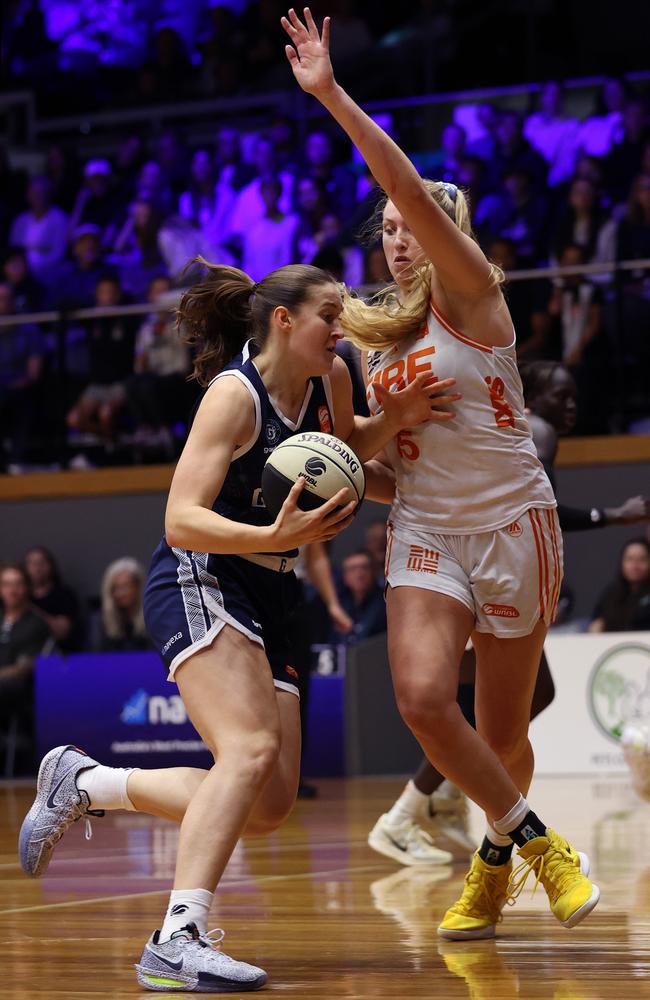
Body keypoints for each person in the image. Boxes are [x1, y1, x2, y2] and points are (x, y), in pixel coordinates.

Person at [19, 258, 458, 991]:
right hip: (203, 574)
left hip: (274, 591)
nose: (342, 326)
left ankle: (87, 783)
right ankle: (176, 936)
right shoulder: (233, 398)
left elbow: (345, 458)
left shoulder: (335, 377)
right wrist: (269, 536)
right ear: (284, 321)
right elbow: (180, 518)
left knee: (266, 803)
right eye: (330, 314)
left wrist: (399, 425)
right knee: (249, 748)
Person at [281, 8, 599, 939]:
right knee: (424, 700)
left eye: (412, 221)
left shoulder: (474, 297)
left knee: (503, 737)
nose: (397, 236)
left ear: (445, 229)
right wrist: (367, 448)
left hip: (512, 524)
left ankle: (491, 872)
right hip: (424, 526)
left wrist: (331, 95)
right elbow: (373, 470)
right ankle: (544, 848)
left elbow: (406, 186)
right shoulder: (367, 342)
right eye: (384, 227)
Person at [370, 358, 650, 867]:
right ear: (526, 395)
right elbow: (536, 505)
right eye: (561, 396)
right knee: (492, 708)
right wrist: (614, 516)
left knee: (511, 706)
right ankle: (410, 811)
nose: (571, 407)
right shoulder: (534, 430)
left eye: (574, 397)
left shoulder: (516, 427)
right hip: (480, 557)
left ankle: (445, 797)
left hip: (466, 554)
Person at [24, 546, 83, 653]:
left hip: (57, 657)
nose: (37, 568)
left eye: (42, 562)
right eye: (32, 563)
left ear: (51, 566)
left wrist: (26, 606)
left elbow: (61, 633)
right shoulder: (12, 600)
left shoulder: (64, 595)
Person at [589, 538, 650, 633]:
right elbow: (597, 622)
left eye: (642, 559)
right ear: (622, 562)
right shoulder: (611, 593)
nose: (635, 565)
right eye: (630, 559)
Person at [94, 557, 152, 653]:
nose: (121, 593)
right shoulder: (99, 621)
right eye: (116, 588)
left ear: (138, 587)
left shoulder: (153, 617)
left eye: (126, 586)